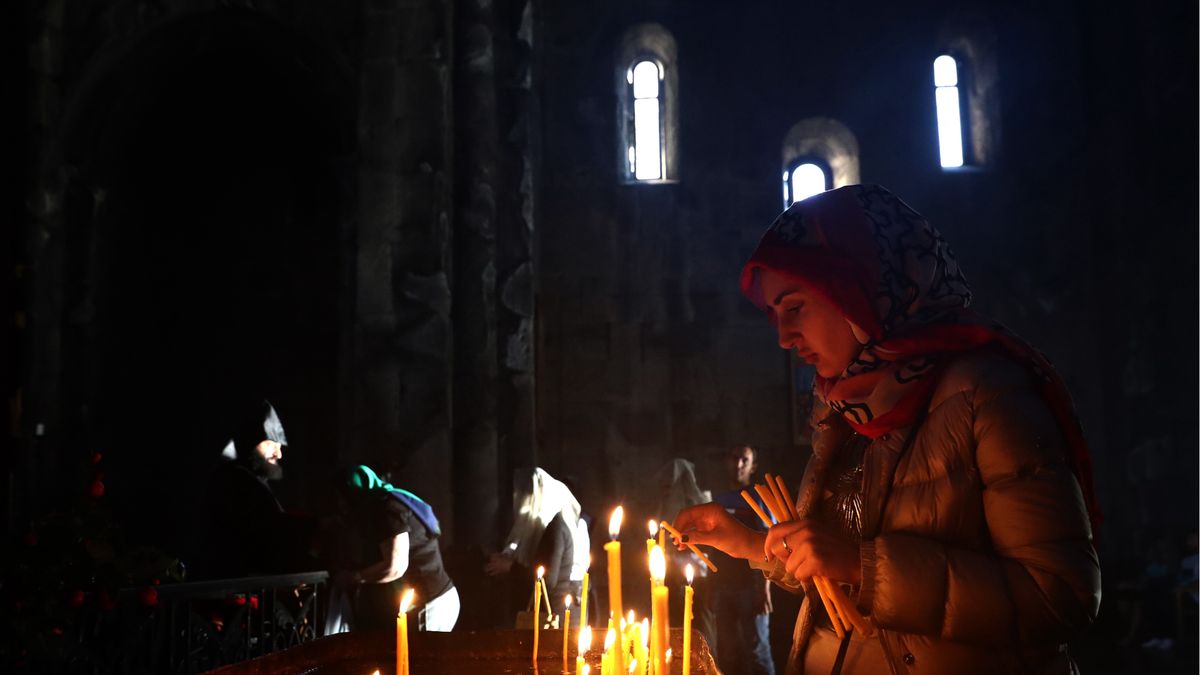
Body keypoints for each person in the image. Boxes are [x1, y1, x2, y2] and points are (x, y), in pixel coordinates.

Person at [672, 185, 1102, 674]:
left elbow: (1059, 595)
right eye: (774, 316)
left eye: (794, 308)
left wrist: (864, 566)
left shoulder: (984, 393)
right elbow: (833, 567)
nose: (784, 337)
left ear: (858, 288)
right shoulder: (846, 407)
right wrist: (752, 544)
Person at [334, 464, 458, 632]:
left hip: (429, 605)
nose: (341, 505)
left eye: (342, 499)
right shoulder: (394, 500)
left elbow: (395, 567)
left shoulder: (388, 509)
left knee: (416, 651)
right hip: (435, 599)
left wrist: (355, 577)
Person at [203, 399, 319, 578]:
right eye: (271, 443)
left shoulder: (250, 481)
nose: (279, 453)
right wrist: (316, 526)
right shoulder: (235, 482)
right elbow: (265, 531)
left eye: (279, 446)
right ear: (250, 442)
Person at [485, 467, 590, 627]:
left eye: (528, 499)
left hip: (557, 616)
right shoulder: (564, 522)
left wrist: (510, 566)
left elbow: (547, 580)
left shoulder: (556, 527)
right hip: (566, 612)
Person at [707, 447, 776, 675]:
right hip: (722, 586)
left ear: (753, 466)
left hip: (750, 586)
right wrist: (711, 586)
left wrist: (764, 589)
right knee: (727, 653)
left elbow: (770, 545)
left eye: (744, 460)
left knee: (757, 652)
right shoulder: (717, 500)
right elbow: (713, 547)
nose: (738, 464)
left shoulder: (759, 497)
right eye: (734, 458)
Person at [654, 459, 720, 662]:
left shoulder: (699, 502)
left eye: (670, 484)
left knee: (700, 621)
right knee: (676, 621)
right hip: (672, 574)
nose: (667, 490)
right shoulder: (665, 504)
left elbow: (707, 541)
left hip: (698, 573)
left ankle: (708, 663)